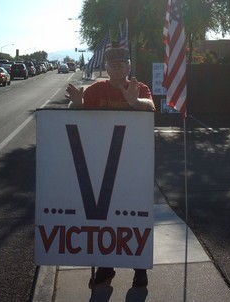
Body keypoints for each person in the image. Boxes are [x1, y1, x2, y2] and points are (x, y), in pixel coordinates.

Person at [65, 47, 155, 288]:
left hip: (133, 164)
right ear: (106, 68)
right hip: (101, 164)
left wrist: (135, 101)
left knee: (135, 217)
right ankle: (106, 268)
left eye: (122, 63)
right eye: (113, 63)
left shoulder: (139, 88)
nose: (117, 67)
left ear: (129, 67)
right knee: (106, 220)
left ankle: (140, 269)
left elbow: (150, 107)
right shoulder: (96, 90)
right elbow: (77, 116)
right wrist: (76, 105)